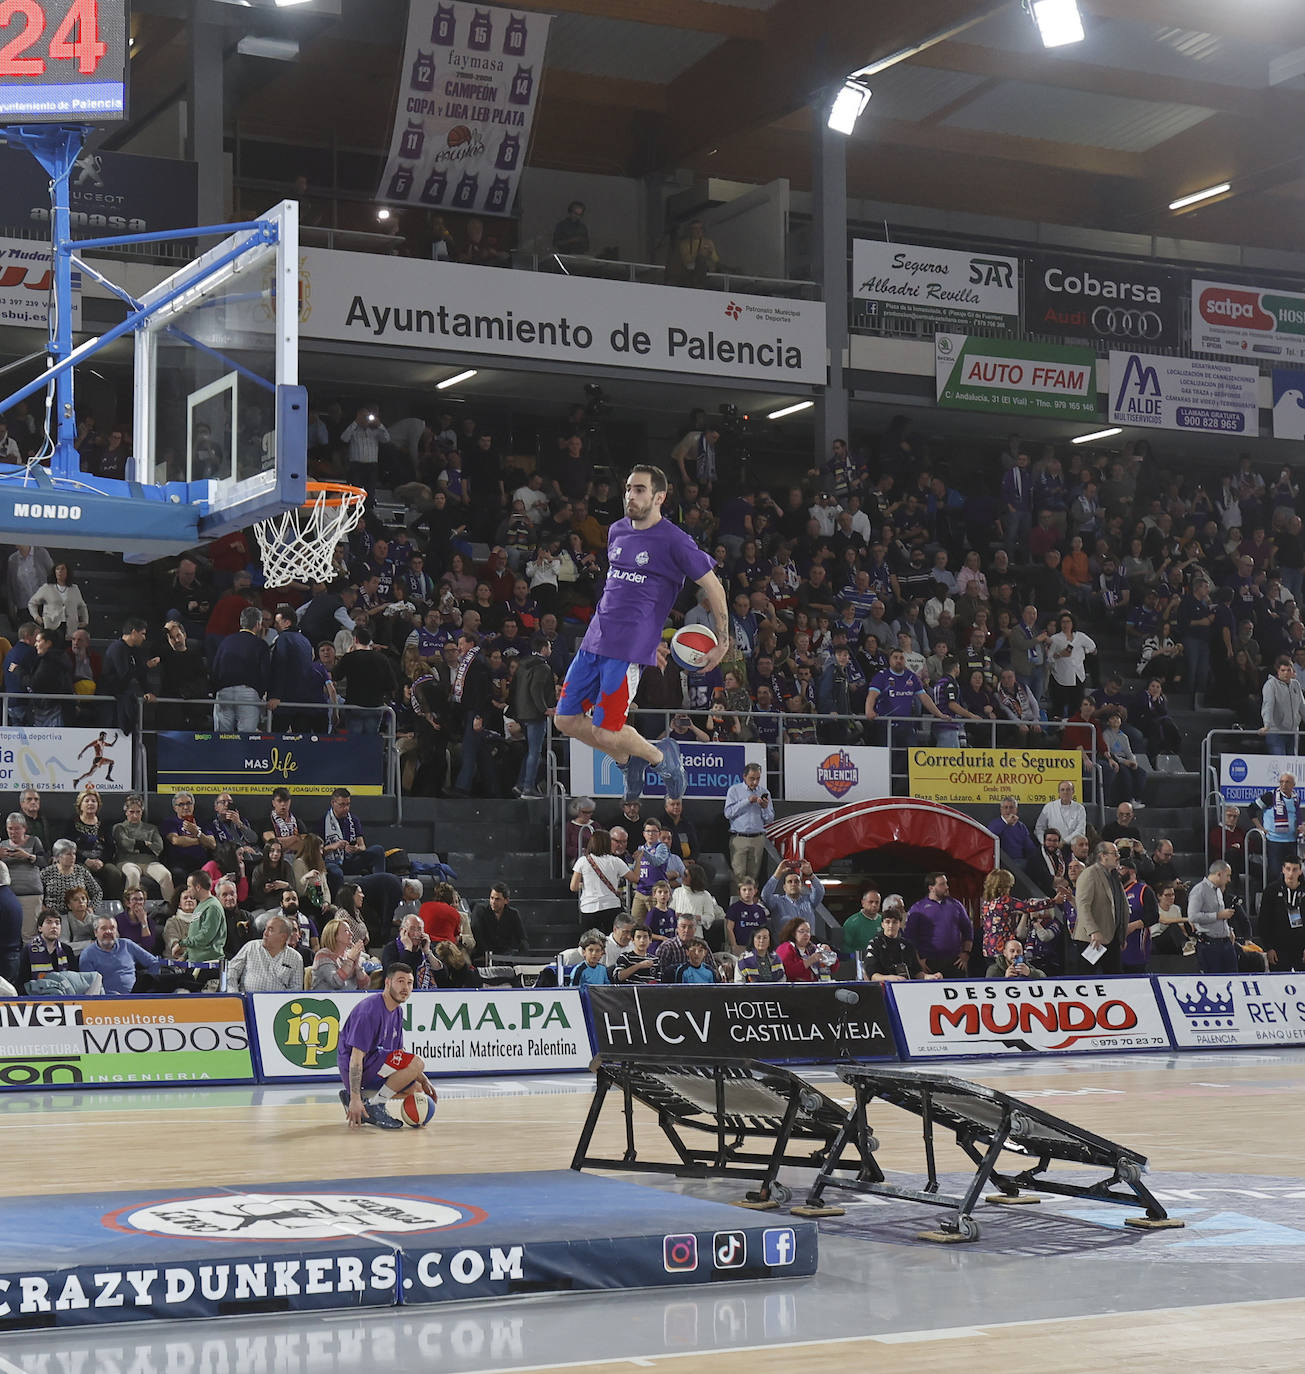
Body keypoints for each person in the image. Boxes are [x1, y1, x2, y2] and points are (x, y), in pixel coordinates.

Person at [554, 464, 729, 806]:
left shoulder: (676, 540)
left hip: (628, 650)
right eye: (629, 488)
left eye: (639, 490)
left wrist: (723, 641)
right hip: (595, 639)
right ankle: (625, 759)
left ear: (659, 497)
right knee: (565, 720)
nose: (630, 496)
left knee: (607, 730)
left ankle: (662, 757)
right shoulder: (617, 530)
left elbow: (713, 586)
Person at [337, 963, 437, 1130]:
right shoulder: (369, 1011)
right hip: (357, 1068)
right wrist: (355, 1096)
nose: (406, 987)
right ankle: (373, 1104)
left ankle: (366, 1101)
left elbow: (399, 1055)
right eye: (400, 981)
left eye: (410, 983)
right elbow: (355, 1059)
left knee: (416, 1088)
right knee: (418, 1062)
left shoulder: (397, 1011)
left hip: (374, 1065)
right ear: (388, 983)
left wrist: (424, 1080)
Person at [979, 868, 1060, 962]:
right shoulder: (1006, 901)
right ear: (1003, 887)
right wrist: (1053, 901)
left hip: (988, 949)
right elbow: (1029, 907)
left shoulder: (986, 904)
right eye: (1009, 886)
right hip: (1004, 949)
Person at [510, 633, 556, 796]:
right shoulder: (543, 667)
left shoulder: (523, 664)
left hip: (522, 712)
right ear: (544, 648)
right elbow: (536, 689)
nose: (551, 649)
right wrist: (545, 708)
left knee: (531, 751)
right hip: (535, 714)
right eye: (549, 647)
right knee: (534, 752)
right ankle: (528, 787)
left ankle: (521, 784)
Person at [211, 605, 269, 733]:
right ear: (258, 624)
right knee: (246, 736)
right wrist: (261, 692)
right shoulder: (260, 644)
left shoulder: (226, 641)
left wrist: (216, 691)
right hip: (248, 693)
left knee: (222, 736)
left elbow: (215, 668)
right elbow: (265, 673)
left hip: (224, 692)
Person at [1072, 841, 1127, 975]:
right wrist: (1093, 931)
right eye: (1115, 853)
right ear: (1103, 856)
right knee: (1087, 979)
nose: (1118, 856)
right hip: (1091, 939)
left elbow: (1120, 905)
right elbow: (1083, 906)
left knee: (1115, 978)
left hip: (1112, 937)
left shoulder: (1114, 876)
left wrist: (1121, 934)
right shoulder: (1089, 874)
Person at [904, 872, 973, 977]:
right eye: (942, 884)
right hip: (930, 962)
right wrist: (918, 961)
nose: (946, 887)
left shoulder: (956, 905)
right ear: (931, 888)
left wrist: (966, 953)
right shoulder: (918, 908)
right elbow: (910, 938)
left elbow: (968, 929)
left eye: (946, 883)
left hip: (955, 962)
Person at [19, 908, 100, 995]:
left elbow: (74, 981)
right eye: (49, 922)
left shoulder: (67, 950)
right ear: (40, 928)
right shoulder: (28, 950)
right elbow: (22, 983)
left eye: (57, 923)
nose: (54, 926)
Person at [113, 792, 174, 902]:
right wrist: (146, 845)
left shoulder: (151, 828)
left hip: (149, 862)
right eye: (131, 812)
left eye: (138, 812)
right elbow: (125, 844)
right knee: (133, 874)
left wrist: (137, 845)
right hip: (127, 861)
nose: (135, 815)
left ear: (142, 812)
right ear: (126, 812)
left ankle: (171, 908)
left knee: (165, 875)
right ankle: (130, 907)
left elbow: (159, 847)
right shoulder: (120, 827)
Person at [723, 764, 774, 893]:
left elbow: (769, 819)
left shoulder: (764, 792)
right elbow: (728, 813)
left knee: (754, 875)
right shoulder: (734, 791)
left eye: (758, 778)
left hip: (758, 838)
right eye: (752, 778)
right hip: (739, 838)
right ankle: (736, 906)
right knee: (738, 875)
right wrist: (747, 801)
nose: (755, 782)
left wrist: (765, 808)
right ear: (744, 777)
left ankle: (751, 906)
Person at [79, 913, 161, 994]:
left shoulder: (127, 945)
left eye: (112, 928)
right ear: (96, 932)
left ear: (116, 931)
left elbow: (154, 963)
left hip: (134, 998)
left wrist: (148, 985)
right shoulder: (87, 954)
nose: (108, 931)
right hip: (105, 1001)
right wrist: (108, 995)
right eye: (104, 928)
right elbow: (89, 986)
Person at [569, 829, 631, 931]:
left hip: (589, 907)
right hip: (611, 905)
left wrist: (584, 885)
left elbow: (573, 887)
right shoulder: (615, 861)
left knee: (592, 942)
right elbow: (634, 878)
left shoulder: (583, 861)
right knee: (611, 940)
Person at [225, 914, 305, 993]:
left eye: (270, 930)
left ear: (283, 936)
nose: (265, 933)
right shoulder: (251, 947)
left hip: (277, 1004)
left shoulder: (296, 958)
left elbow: (296, 989)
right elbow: (232, 971)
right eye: (265, 928)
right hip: (247, 1001)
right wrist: (234, 994)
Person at [320, 787, 387, 879]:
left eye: (348, 804)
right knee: (335, 871)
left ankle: (380, 881)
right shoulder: (323, 821)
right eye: (342, 805)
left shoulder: (353, 820)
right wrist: (334, 846)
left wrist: (356, 849)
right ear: (333, 803)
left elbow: (362, 846)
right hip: (333, 862)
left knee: (378, 850)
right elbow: (317, 851)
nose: (346, 808)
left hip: (352, 859)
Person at [1186, 860, 1239, 975]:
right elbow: (1192, 916)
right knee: (1215, 981)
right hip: (1210, 945)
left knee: (1233, 979)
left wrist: (1229, 930)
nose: (1229, 880)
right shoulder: (1199, 890)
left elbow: (1221, 914)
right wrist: (1218, 916)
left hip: (1225, 943)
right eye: (1228, 875)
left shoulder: (1218, 891)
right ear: (1219, 874)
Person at [863, 902, 939, 982]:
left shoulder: (908, 945)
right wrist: (890, 978)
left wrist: (930, 977)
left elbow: (917, 973)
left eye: (894, 922)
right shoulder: (874, 945)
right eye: (887, 922)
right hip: (883, 987)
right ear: (882, 924)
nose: (891, 925)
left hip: (906, 986)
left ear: (899, 924)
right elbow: (873, 976)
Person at [760, 857, 830, 942]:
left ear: (801, 886)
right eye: (790, 882)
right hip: (784, 948)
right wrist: (777, 874)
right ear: (784, 887)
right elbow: (765, 895)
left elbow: (820, 891)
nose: (793, 884)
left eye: (797, 881)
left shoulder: (809, 901)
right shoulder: (777, 902)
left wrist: (810, 874)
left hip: (807, 948)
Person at [1252, 771, 1304, 884]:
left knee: (1293, 873)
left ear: (1293, 785)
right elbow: (1251, 809)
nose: (1284, 784)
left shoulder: (1296, 798)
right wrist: (1260, 827)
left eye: (1287, 782)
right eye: (1281, 782)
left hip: (1292, 841)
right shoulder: (1270, 796)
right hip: (1274, 842)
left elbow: (1296, 817)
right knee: (1275, 873)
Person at [174, 870, 226, 974]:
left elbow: (204, 937)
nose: (188, 890)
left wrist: (182, 944)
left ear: (198, 887)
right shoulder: (200, 905)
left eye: (189, 886)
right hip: (196, 963)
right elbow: (195, 935)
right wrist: (185, 956)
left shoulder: (212, 907)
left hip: (208, 965)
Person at [1046, 612, 1097, 719]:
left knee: (1076, 705)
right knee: (1059, 706)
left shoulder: (1080, 636)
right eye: (1063, 622)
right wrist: (1060, 654)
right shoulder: (1055, 638)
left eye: (1068, 621)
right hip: (1061, 677)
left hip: (1078, 675)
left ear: (1072, 623)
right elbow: (1049, 659)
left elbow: (1093, 648)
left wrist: (1085, 650)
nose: (1066, 624)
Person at [1259, 856, 1305, 972]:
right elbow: (1264, 921)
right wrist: (1268, 948)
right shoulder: (1271, 890)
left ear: (1300, 871)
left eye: (1294, 869)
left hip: (1302, 948)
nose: (1291, 873)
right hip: (1278, 949)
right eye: (1288, 869)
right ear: (1283, 869)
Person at [381, 914, 445, 986]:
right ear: (402, 931)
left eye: (419, 929)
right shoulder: (391, 948)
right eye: (412, 929)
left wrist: (428, 952)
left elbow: (443, 976)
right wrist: (408, 949)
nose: (416, 933)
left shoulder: (426, 946)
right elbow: (396, 976)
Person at [670, 862, 724, 946]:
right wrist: (676, 915)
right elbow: (670, 912)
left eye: (686, 875)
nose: (683, 877)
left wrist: (696, 918)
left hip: (696, 937)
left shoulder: (705, 895)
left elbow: (710, 917)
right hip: (678, 937)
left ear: (695, 877)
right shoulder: (678, 892)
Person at [312, 916, 372, 991]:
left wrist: (357, 966)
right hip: (326, 1000)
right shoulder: (322, 955)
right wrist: (350, 960)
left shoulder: (350, 954)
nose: (351, 934)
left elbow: (365, 986)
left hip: (350, 999)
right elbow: (336, 982)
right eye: (346, 931)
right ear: (335, 935)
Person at [655, 912, 720, 982]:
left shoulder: (702, 945)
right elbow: (660, 974)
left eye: (690, 927)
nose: (686, 930)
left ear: (695, 930)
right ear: (677, 929)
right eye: (683, 927)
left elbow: (713, 970)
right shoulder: (667, 947)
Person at [470, 883, 529, 957]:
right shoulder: (480, 910)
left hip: (505, 955)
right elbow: (477, 935)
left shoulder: (513, 914)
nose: (493, 902)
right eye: (492, 898)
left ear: (506, 900)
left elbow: (522, 938)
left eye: (497, 899)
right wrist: (488, 954)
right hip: (482, 954)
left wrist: (522, 956)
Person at [1261, 656, 1305, 755]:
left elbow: (1302, 706)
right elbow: (1268, 705)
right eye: (1283, 670)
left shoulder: (1296, 685)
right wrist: (1267, 724)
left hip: (1293, 732)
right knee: (1280, 763)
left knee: (1291, 764)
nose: (1286, 673)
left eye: (1288, 670)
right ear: (1278, 670)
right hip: (1275, 732)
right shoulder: (1270, 685)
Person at [774, 917, 835, 983]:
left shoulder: (812, 948)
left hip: (817, 986)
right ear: (793, 933)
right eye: (802, 931)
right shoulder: (785, 947)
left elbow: (833, 968)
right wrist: (810, 960)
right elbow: (788, 972)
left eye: (808, 931)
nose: (806, 934)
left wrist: (828, 953)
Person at [987, 796, 1038, 871]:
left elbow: (1030, 848)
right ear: (1001, 809)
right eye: (1005, 807)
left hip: (1019, 861)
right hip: (1000, 863)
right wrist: (1006, 823)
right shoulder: (994, 824)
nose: (1008, 810)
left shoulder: (1021, 826)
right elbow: (990, 838)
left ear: (1016, 810)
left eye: (1011, 807)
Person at [724, 876, 769, 956]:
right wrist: (734, 946)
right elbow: (729, 928)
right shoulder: (734, 908)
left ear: (755, 891)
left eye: (750, 889)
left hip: (756, 947)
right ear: (739, 891)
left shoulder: (760, 910)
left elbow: (763, 930)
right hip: (740, 946)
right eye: (744, 890)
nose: (747, 893)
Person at [1034, 779, 1088, 844]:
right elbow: (1039, 828)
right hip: (1051, 846)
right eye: (1062, 790)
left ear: (1073, 791)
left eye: (1068, 789)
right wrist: (1045, 842)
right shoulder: (1049, 807)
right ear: (1059, 792)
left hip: (1072, 846)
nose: (1065, 792)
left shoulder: (1080, 808)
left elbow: (1080, 830)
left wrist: (1064, 842)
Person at [840, 887, 883, 962]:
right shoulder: (852, 922)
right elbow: (846, 948)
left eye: (877, 902)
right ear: (863, 903)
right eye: (871, 902)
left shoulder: (884, 921)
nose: (874, 905)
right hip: (859, 964)